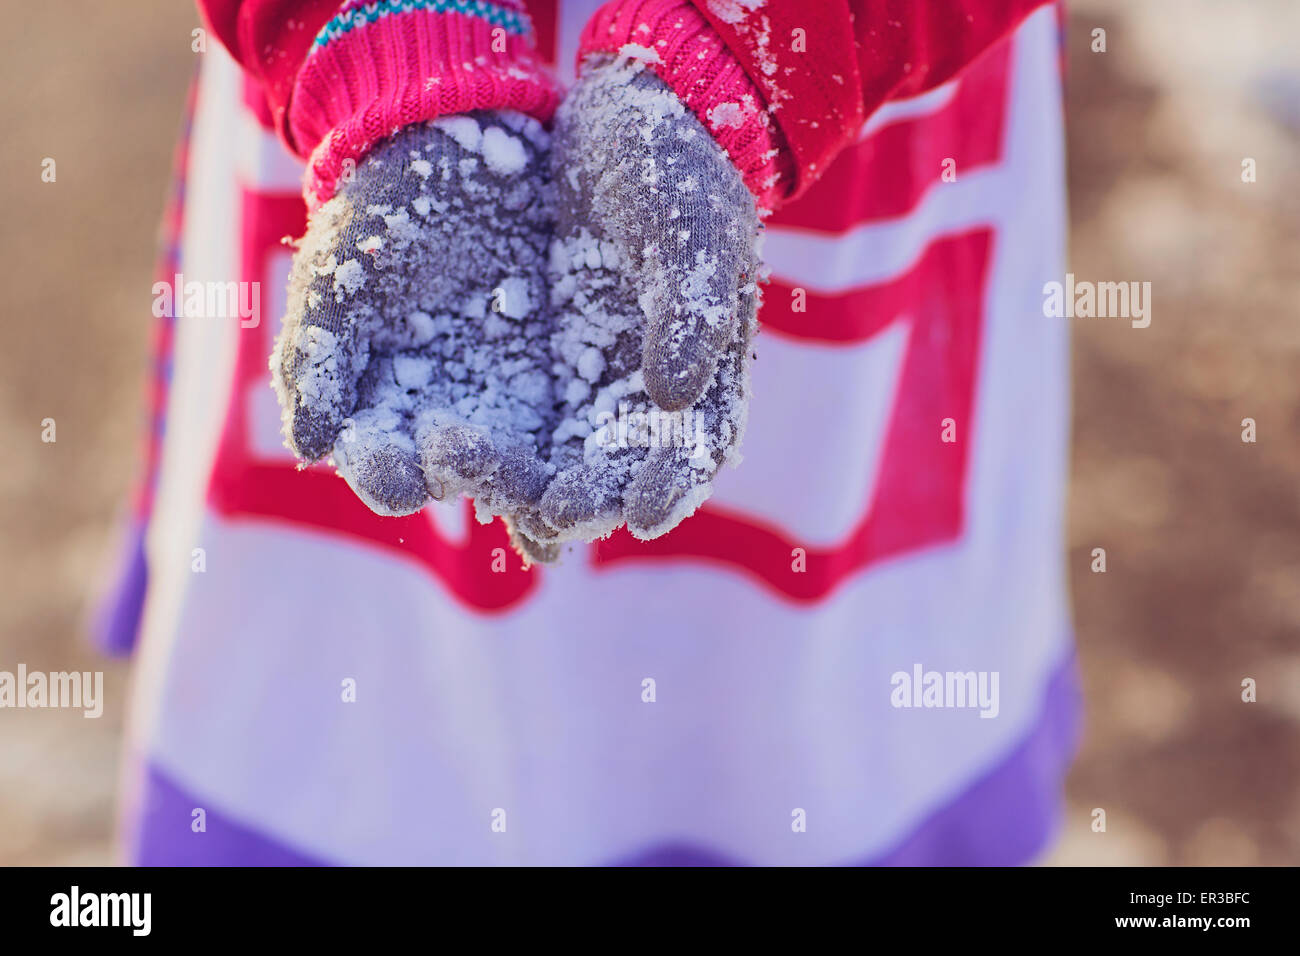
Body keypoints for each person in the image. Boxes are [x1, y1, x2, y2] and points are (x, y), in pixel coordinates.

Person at [103, 0, 1078, 865]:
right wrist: (384, 37)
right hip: (366, 135)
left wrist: (754, 47)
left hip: (860, 106)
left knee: (790, 729)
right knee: (364, 731)